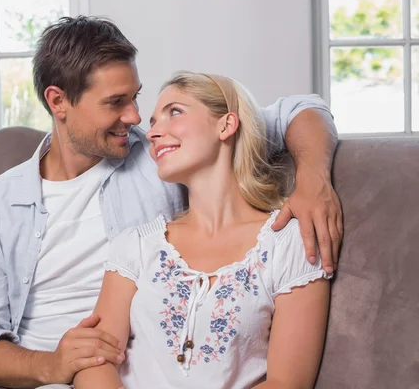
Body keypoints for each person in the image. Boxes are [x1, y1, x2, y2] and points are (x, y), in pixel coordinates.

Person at [0, 16, 341, 388]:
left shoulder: (160, 158)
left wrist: (313, 178)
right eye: (116, 102)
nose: (136, 118)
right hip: (49, 371)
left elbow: (299, 110)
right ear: (58, 101)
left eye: (136, 98)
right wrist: (53, 365)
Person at [73, 72, 332, 389]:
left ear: (226, 125)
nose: (153, 133)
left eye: (175, 112)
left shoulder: (289, 244)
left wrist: (314, 176)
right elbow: (93, 362)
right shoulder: (137, 245)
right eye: (154, 122)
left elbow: (287, 383)